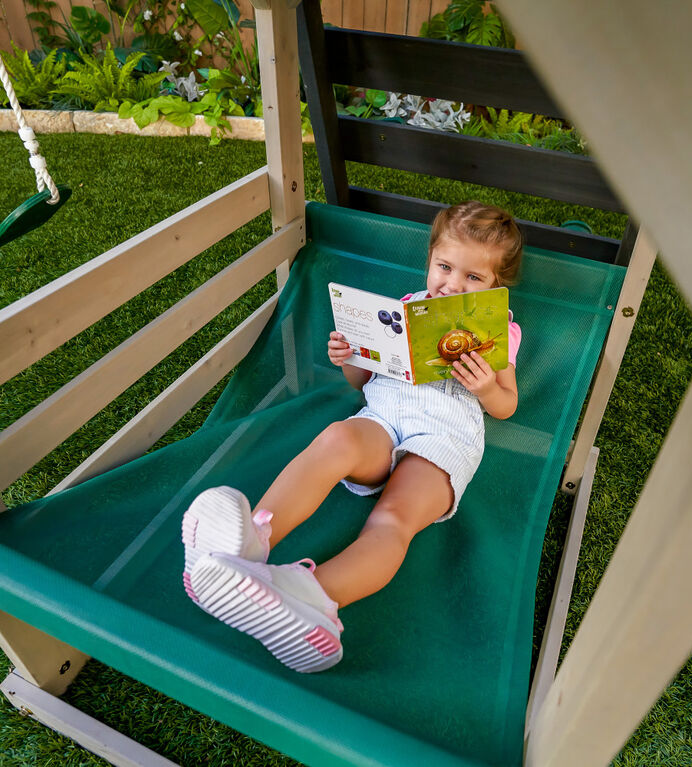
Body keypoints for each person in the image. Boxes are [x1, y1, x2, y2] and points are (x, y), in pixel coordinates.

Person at [181, 201, 523, 673]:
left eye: (473, 278)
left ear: (495, 288)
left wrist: (486, 386)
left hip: (446, 437)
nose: (451, 284)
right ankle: (250, 543)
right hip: (384, 415)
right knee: (336, 439)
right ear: (430, 262)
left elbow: (507, 404)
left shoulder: (499, 331)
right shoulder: (405, 309)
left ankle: (310, 601)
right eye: (444, 267)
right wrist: (350, 357)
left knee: (394, 519)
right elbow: (362, 384)